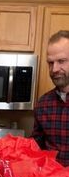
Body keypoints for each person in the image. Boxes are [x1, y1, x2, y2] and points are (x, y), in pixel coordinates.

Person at [32, 30, 69, 167]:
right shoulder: (43, 104)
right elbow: (36, 148)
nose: (54, 69)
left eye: (61, 61)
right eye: (50, 63)